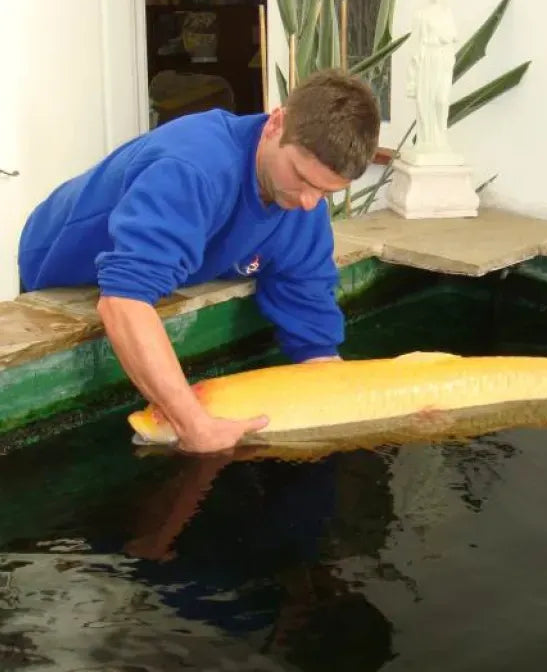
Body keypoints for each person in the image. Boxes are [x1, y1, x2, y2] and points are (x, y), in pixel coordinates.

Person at [18, 69, 381, 454]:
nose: (309, 202)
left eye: (325, 192)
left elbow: (314, 338)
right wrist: (192, 423)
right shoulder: (193, 168)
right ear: (276, 123)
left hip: (178, 252)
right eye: (301, 177)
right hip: (60, 259)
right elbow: (122, 302)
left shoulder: (304, 209)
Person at [406, 0, 457, 156]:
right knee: (426, 101)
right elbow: (415, 44)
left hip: (443, 59)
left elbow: (452, 36)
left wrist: (447, 41)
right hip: (428, 58)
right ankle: (426, 139)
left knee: (442, 100)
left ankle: (441, 138)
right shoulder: (421, 15)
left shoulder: (447, 13)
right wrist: (412, 78)